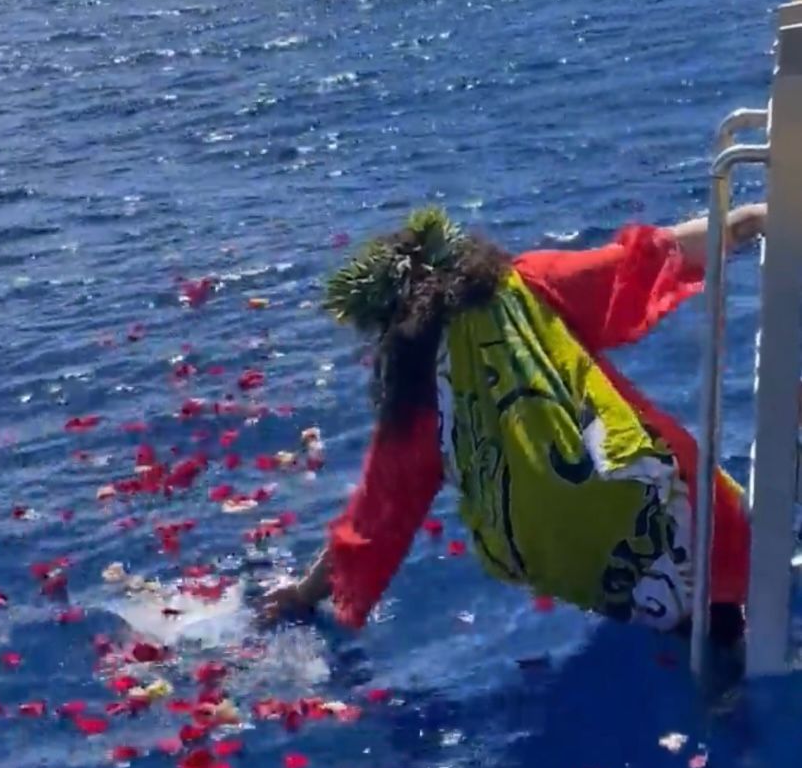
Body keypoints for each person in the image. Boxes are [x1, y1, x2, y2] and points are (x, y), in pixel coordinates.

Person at [259, 204, 768, 643]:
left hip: (607, 571)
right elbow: (648, 257)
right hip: (673, 506)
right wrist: (752, 220)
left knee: (699, 632)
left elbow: (372, 522)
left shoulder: (417, 399)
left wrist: (304, 594)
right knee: (727, 579)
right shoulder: (529, 286)